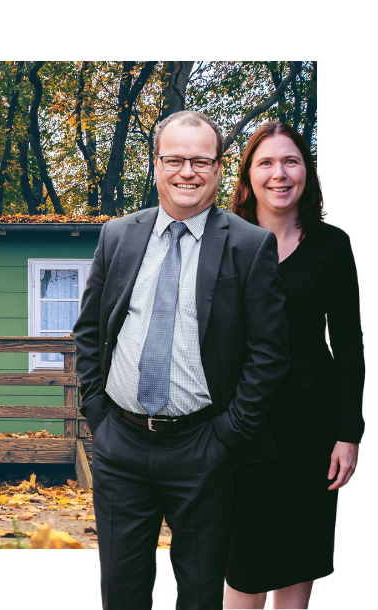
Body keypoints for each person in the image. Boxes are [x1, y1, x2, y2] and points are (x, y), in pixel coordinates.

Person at [72, 110, 291, 610]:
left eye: (200, 161)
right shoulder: (118, 236)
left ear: (218, 169)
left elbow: (270, 354)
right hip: (120, 444)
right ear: (156, 165)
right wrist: (98, 415)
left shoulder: (250, 245)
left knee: (198, 593)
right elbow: (89, 330)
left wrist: (228, 436)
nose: (187, 172)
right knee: (122, 593)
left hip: (203, 447)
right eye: (175, 159)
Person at [224, 122, 365, 609]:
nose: (279, 174)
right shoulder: (224, 243)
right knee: (243, 571)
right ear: (248, 176)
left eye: (291, 161)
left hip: (312, 431)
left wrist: (349, 432)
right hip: (241, 428)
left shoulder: (332, 245)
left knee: (296, 563)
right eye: (266, 162)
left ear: (306, 172)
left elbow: (348, 341)